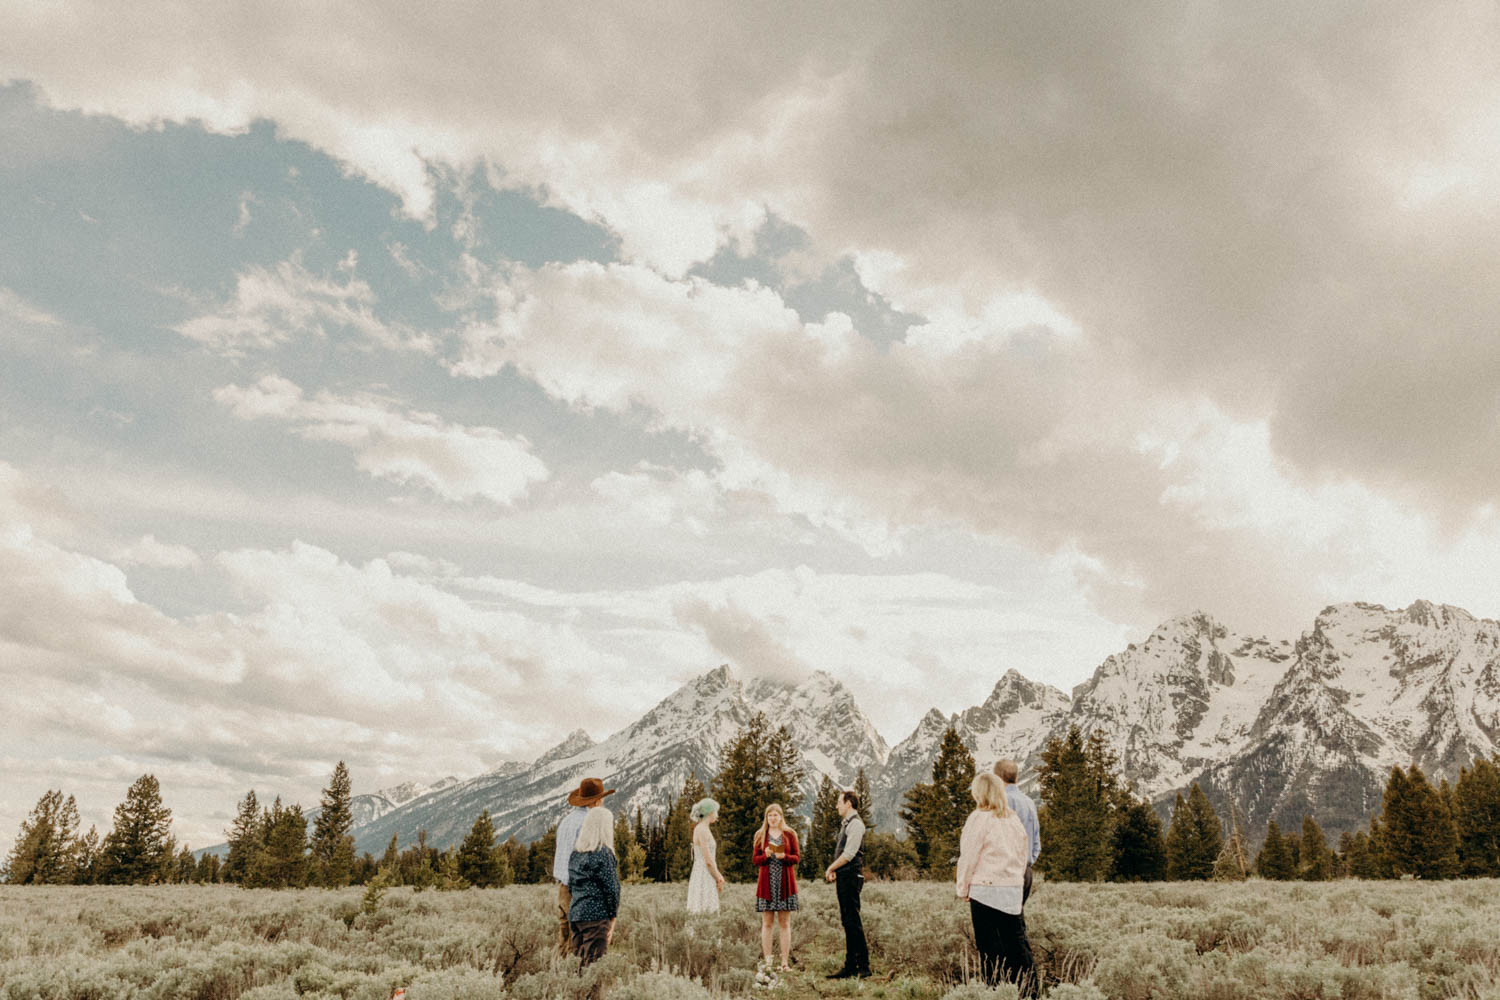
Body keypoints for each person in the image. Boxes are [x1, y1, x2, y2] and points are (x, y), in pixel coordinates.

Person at [956, 772, 1037, 996]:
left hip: (985, 891)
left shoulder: (978, 818)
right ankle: (1029, 992)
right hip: (1012, 890)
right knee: (1018, 946)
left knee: (990, 951)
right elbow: (1024, 855)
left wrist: (962, 888)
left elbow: (969, 855)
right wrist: (1016, 882)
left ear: (979, 792)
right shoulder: (1012, 819)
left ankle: (994, 993)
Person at [553, 777, 615, 955]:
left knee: (564, 940)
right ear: (596, 801)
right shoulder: (588, 823)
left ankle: (559, 977)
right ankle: (578, 980)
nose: (603, 803)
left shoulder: (566, 821)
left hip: (563, 888)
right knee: (580, 943)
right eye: (601, 799)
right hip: (579, 890)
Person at [823, 789, 870, 979]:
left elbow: (849, 854)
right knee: (848, 921)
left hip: (851, 876)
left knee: (852, 921)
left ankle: (862, 966)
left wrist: (831, 868)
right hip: (845, 877)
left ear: (848, 803)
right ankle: (851, 965)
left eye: (839, 802)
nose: (837, 805)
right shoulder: (848, 824)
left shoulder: (856, 825)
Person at [567, 805, 621, 968]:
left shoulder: (576, 853)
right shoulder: (604, 853)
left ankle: (575, 993)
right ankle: (591, 994)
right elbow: (612, 888)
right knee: (594, 967)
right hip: (596, 915)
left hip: (576, 914)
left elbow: (571, 886)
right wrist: (613, 916)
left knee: (579, 963)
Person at [752, 802, 800, 972]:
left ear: (781, 817)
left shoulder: (789, 834)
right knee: (767, 924)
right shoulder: (760, 835)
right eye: (769, 815)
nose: (773, 818)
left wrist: (784, 856)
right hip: (766, 885)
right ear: (766, 818)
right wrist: (765, 856)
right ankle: (768, 962)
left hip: (785, 884)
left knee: (785, 923)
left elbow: (796, 858)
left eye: (775, 815)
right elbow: (755, 860)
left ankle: (784, 962)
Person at [994, 759, 1040, 904]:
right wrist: (1027, 861)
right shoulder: (1029, 802)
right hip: (1026, 871)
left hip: (1005, 871)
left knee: (1000, 922)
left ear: (997, 777)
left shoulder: (1000, 801)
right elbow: (1036, 841)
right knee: (1016, 920)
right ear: (1016, 777)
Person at [686, 797, 725, 915]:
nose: (717, 815)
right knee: (705, 906)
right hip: (704, 873)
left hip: (702, 871)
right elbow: (708, 860)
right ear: (710, 813)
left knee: (700, 905)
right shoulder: (702, 829)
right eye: (716, 812)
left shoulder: (702, 828)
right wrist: (719, 877)